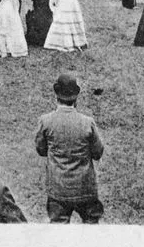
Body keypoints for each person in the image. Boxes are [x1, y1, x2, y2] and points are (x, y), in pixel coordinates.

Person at [35, 73, 105, 224]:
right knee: (92, 230)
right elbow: (97, 152)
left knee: (59, 234)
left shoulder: (46, 121)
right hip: (85, 188)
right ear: (76, 97)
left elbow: (41, 150)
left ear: (56, 95)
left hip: (58, 189)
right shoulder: (87, 123)